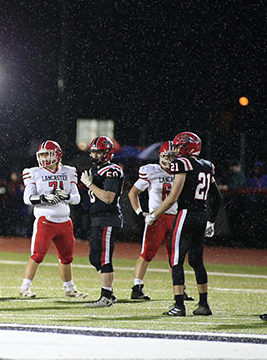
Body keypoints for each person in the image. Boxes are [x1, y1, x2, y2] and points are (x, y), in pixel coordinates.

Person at [145, 132, 222, 316]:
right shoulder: (207, 165)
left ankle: (179, 306)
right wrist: (211, 221)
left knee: (176, 260)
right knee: (197, 261)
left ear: (188, 147)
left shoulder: (183, 163)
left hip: (186, 213)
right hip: (202, 215)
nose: (177, 150)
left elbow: (173, 197)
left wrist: (154, 214)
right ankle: (204, 304)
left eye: (179, 146)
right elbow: (217, 197)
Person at [18, 140, 88, 299]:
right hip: (45, 220)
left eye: (47, 154)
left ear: (57, 155)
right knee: (37, 255)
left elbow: (76, 199)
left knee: (67, 258)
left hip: (65, 221)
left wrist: (66, 196)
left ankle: (69, 288)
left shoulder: (69, 171)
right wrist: (44, 198)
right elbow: (27, 198)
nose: (43, 158)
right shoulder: (33, 172)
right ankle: (24, 288)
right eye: (41, 155)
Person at [128, 141, 194, 301]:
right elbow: (133, 193)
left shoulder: (181, 173)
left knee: (175, 257)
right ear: (160, 156)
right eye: (167, 156)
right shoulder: (151, 171)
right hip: (155, 219)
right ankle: (137, 287)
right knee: (147, 253)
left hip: (175, 218)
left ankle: (180, 290)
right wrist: (139, 212)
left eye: (173, 156)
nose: (170, 160)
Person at [80, 136, 124, 307]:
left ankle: (106, 296)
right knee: (95, 258)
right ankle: (109, 294)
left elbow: (108, 198)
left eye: (99, 152)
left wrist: (90, 185)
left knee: (104, 258)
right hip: (98, 218)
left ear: (107, 153)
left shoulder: (112, 170)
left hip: (108, 217)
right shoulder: (95, 169)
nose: (95, 155)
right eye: (93, 151)